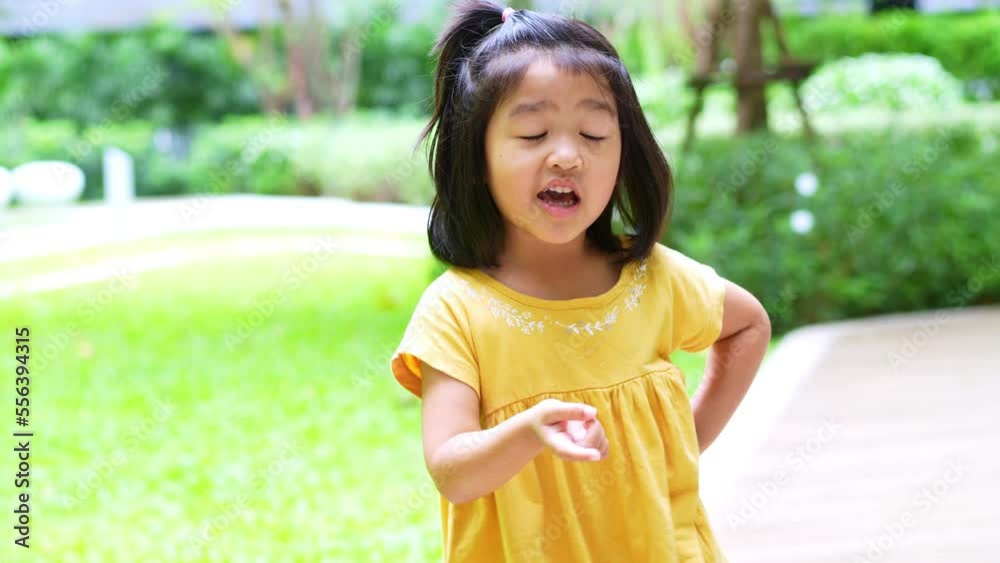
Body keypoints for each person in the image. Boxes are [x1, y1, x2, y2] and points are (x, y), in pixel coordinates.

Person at [390, 1, 771, 560]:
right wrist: (528, 432)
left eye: (594, 134)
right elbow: (453, 472)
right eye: (533, 133)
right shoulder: (457, 310)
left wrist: (683, 441)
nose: (567, 156)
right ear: (476, 157)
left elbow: (748, 325)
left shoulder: (651, 278)